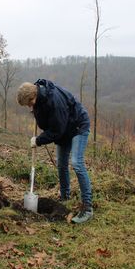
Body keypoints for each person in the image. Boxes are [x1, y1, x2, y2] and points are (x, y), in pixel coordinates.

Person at [16, 79, 93, 224]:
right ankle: (65, 197)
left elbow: (57, 130)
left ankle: (87, 208)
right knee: (61, 165)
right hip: (65, 130)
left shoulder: (54, 102)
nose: (29, 107)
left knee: (76, 163)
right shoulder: (38, 98)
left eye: (29, 103)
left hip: (77, 126)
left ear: (34, 96)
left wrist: (39, 140)